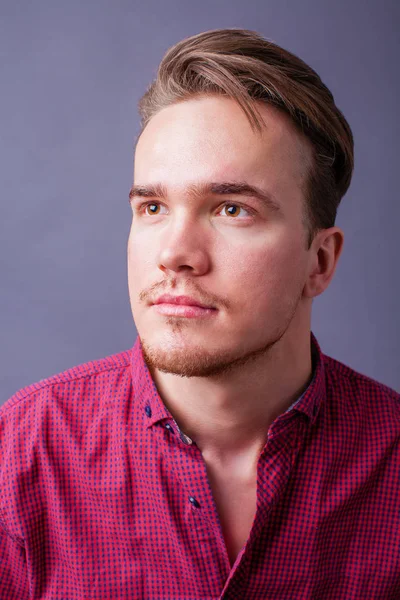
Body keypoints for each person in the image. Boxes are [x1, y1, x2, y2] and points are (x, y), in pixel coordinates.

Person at [0, 28, 399, 600]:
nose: (174, 254)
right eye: (154, 207)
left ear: (320, 260)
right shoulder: (21, 457)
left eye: (232, 208)